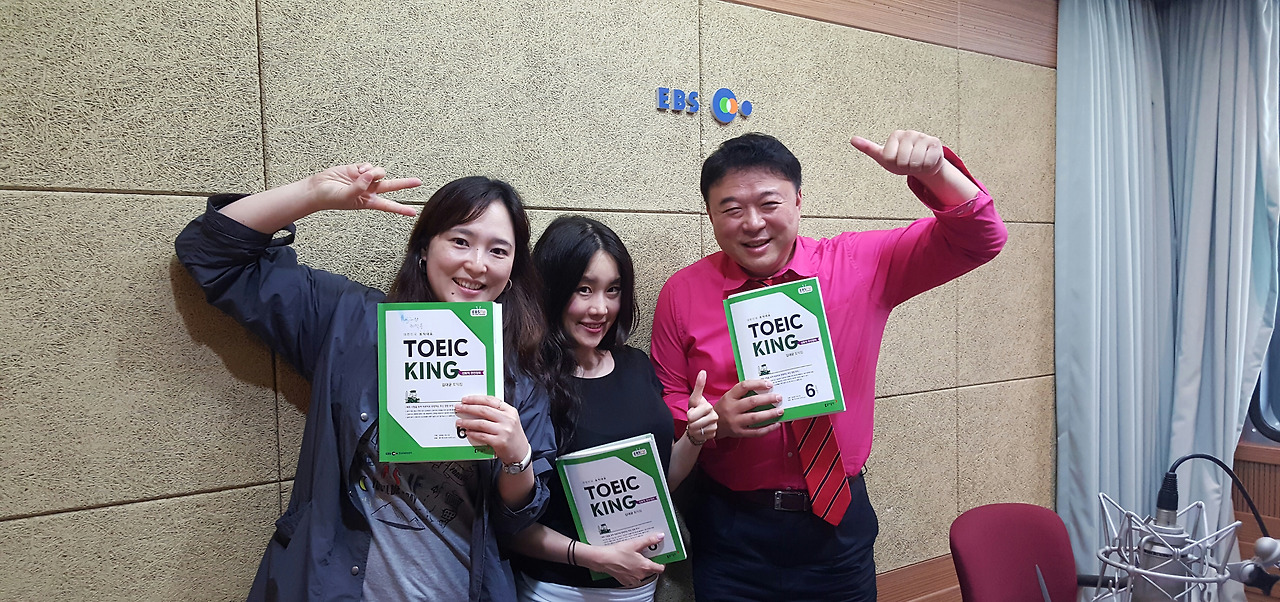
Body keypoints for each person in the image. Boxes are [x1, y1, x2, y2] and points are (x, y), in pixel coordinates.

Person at [650, 131, 1008, 601]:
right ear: (711, 214)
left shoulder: (858, 264)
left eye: (769, 204)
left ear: (799, 201)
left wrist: (935, 171)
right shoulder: (682, 293)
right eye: (731, 209)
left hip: (837, 527)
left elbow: (981, 239)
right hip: (731, 531)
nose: (753, 223)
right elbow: (668, 403)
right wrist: (715, 422)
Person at [174, 163, 556, 601]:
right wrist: (313, 194)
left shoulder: (519, 376)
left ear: (512, 268)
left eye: (498, 250)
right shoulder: (350, 321)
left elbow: (513, 523)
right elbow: (211, 253)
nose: (476, 263)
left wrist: (517, 457)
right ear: (424, 248)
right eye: (460, 241)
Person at [505, 216, 718, 602]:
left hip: (642, 587)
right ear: (552, 289)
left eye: (613, 290)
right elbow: (510, 521)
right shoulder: (525, 382)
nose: (600, 308)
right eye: (584, 290)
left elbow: (657, 483)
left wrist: (695, 437)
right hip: (557, 590)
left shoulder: (636, 365)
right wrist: (596, 558)